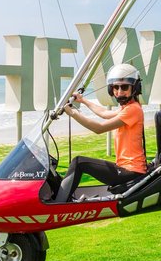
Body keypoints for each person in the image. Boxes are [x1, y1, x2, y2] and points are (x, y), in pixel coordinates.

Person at [57, 64, 147, 201]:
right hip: (126, 168)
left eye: (124, 87)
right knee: (79, 162)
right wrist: (83, 100)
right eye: (115, 87)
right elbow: (104, 113)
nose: (119, 91)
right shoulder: (127, 108)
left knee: (79, 162)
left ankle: (59, 202)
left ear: (135, 88)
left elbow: (99, 128)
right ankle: (62, 198)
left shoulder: (133, 109)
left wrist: (73, 113)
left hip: (131, 171)